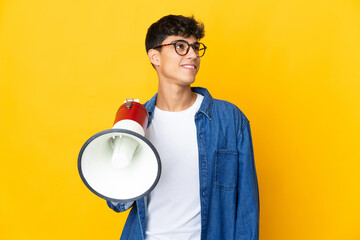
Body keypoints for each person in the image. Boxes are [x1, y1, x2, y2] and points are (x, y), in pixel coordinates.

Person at [107, 14, 259, 240]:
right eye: (180, 46)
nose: (193, 55)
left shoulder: (229, 119)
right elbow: (117, 203)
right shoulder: (136, 122)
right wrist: (125, 139)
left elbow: (247, 207)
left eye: (196, 47)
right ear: (155, 56)